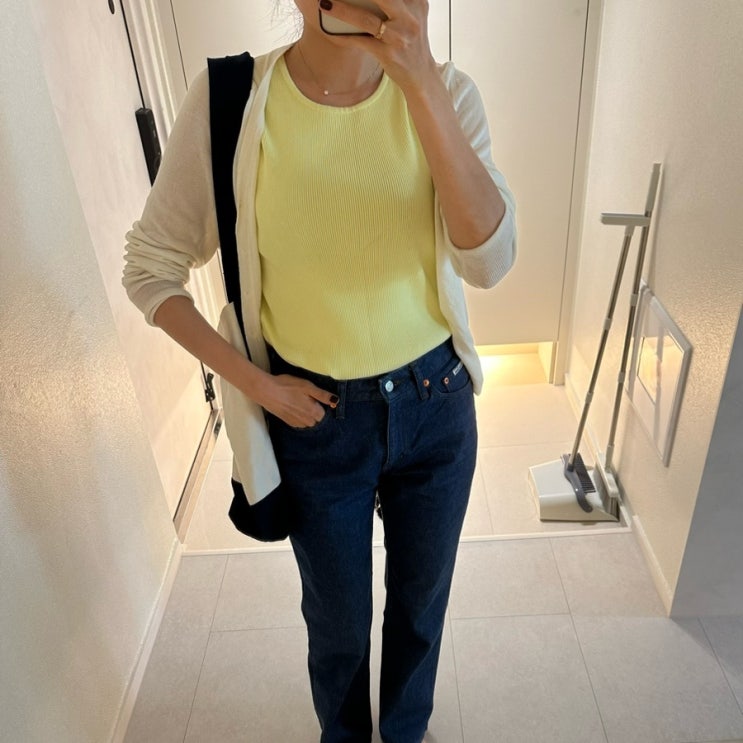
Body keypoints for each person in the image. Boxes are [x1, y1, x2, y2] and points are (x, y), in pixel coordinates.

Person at [123, 1, 516, 740]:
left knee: (420, 609)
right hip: (313, 420)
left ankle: (404, 732)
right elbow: (150, 270)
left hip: (434, 405)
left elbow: (489, 261)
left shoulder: (448, 92)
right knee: (336, 625)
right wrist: (256, 384)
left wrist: (422, 84)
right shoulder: (232, 102)